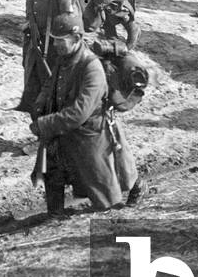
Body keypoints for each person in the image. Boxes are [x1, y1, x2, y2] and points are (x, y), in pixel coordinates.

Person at [30, 11, 132, 216]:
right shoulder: (64, 58)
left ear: (77, 39)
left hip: (90, 135)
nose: (56, 45)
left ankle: (135, 188)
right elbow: (50, 84)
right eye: (54, 40)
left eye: (61, 41)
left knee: (106, 198)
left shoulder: (91, 67)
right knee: (52, 167)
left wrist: (45, 124)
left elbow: (79, 113)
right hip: (66, 130)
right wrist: (39, 105)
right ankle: (55, 215)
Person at [17, 0, 76, 112]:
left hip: (55, 51)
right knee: (33, 93)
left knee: (57, 96)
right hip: (35, 48)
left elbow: (71, 26)